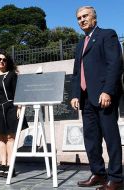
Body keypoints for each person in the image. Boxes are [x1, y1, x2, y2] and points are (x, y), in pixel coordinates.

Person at [70, 6, 123, 190]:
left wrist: (108, 91)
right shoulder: (79, 44)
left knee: (111, 138)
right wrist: (75, 94)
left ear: (94, 18)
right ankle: (99, 174)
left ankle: (116, 178)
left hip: (103, 97)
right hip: (86, 99)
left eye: (85, 16)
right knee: (91, 139)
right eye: (78, 18)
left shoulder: (107, 35)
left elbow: (115, 64)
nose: (82, 20)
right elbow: (77, 73)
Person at [0, 51, 28, 178]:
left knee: (11, 138)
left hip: (10, 108)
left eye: (4, 60)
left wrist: (19, 107)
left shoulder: (12, 75)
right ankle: (3, 164)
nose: (1, 61)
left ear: (7, 62)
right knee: (0, 138)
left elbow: (18, 92)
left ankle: (11, 166)